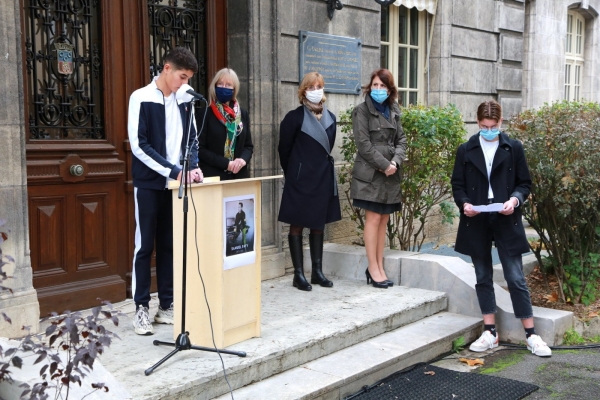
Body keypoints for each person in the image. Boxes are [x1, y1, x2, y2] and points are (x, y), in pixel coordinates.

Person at [451, 100, 552, 357]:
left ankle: (531, 334)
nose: (488, 131)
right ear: (477, 122)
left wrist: (515, 200)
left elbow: (524, 182)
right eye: (484, 126)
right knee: (482, 276)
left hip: (506, 217)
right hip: (477, 218)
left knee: (516, 277)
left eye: (493, 126)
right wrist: (464, 204)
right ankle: (490, 332)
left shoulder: (513, 147)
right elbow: (458, 185)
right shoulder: (466, 149)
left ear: (501, 122)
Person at [128, 47, 203, 336]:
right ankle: (141, 309)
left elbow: (192, 139)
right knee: (145, 246)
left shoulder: (185, 100)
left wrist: (193, 167)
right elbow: (139, 145)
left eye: (188, 79)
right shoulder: (141, 97)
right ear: (167, 68)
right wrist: (174, 171)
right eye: (181, 77)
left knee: (170, 247)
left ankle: (167, 306)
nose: (184, 83)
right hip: (149, 184)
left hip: (176, 186)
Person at [278, 71, 341, 291]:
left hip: (322, 177)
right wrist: (294, 173)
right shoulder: (293, 117)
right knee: (297, 224)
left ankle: (317, 272)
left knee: (318, 225)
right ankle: (298, 275)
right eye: (311, 87)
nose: (316, 91)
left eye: (319, 86)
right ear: (303, 91)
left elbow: (327, 148)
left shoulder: (331, 118)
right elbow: (283, 150)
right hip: (300, 179)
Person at [350, 69, 406, 289]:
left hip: (391, 173)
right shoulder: (361, 111)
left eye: (383, 86)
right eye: (375, 85)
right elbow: (363, 145)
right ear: (369, 87)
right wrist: (384, 165)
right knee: (373, 219)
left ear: (390, 89)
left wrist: (395, 163)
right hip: (371, 174)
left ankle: (379, 266)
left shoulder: (394, 110)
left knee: (384, 220)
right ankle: (373, 267)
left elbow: (401, 140)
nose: (379, 90)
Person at [197, 68, 253, 180]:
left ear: (234, 89)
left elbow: (248, 146)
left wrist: (242, 160)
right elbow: (200, 149)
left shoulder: (242, 114)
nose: (224, 87)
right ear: (214, 86)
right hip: (213, 177)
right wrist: (226, 164)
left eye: (228, 85)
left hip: (238, 177)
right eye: (220, 84)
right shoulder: (205, 114)